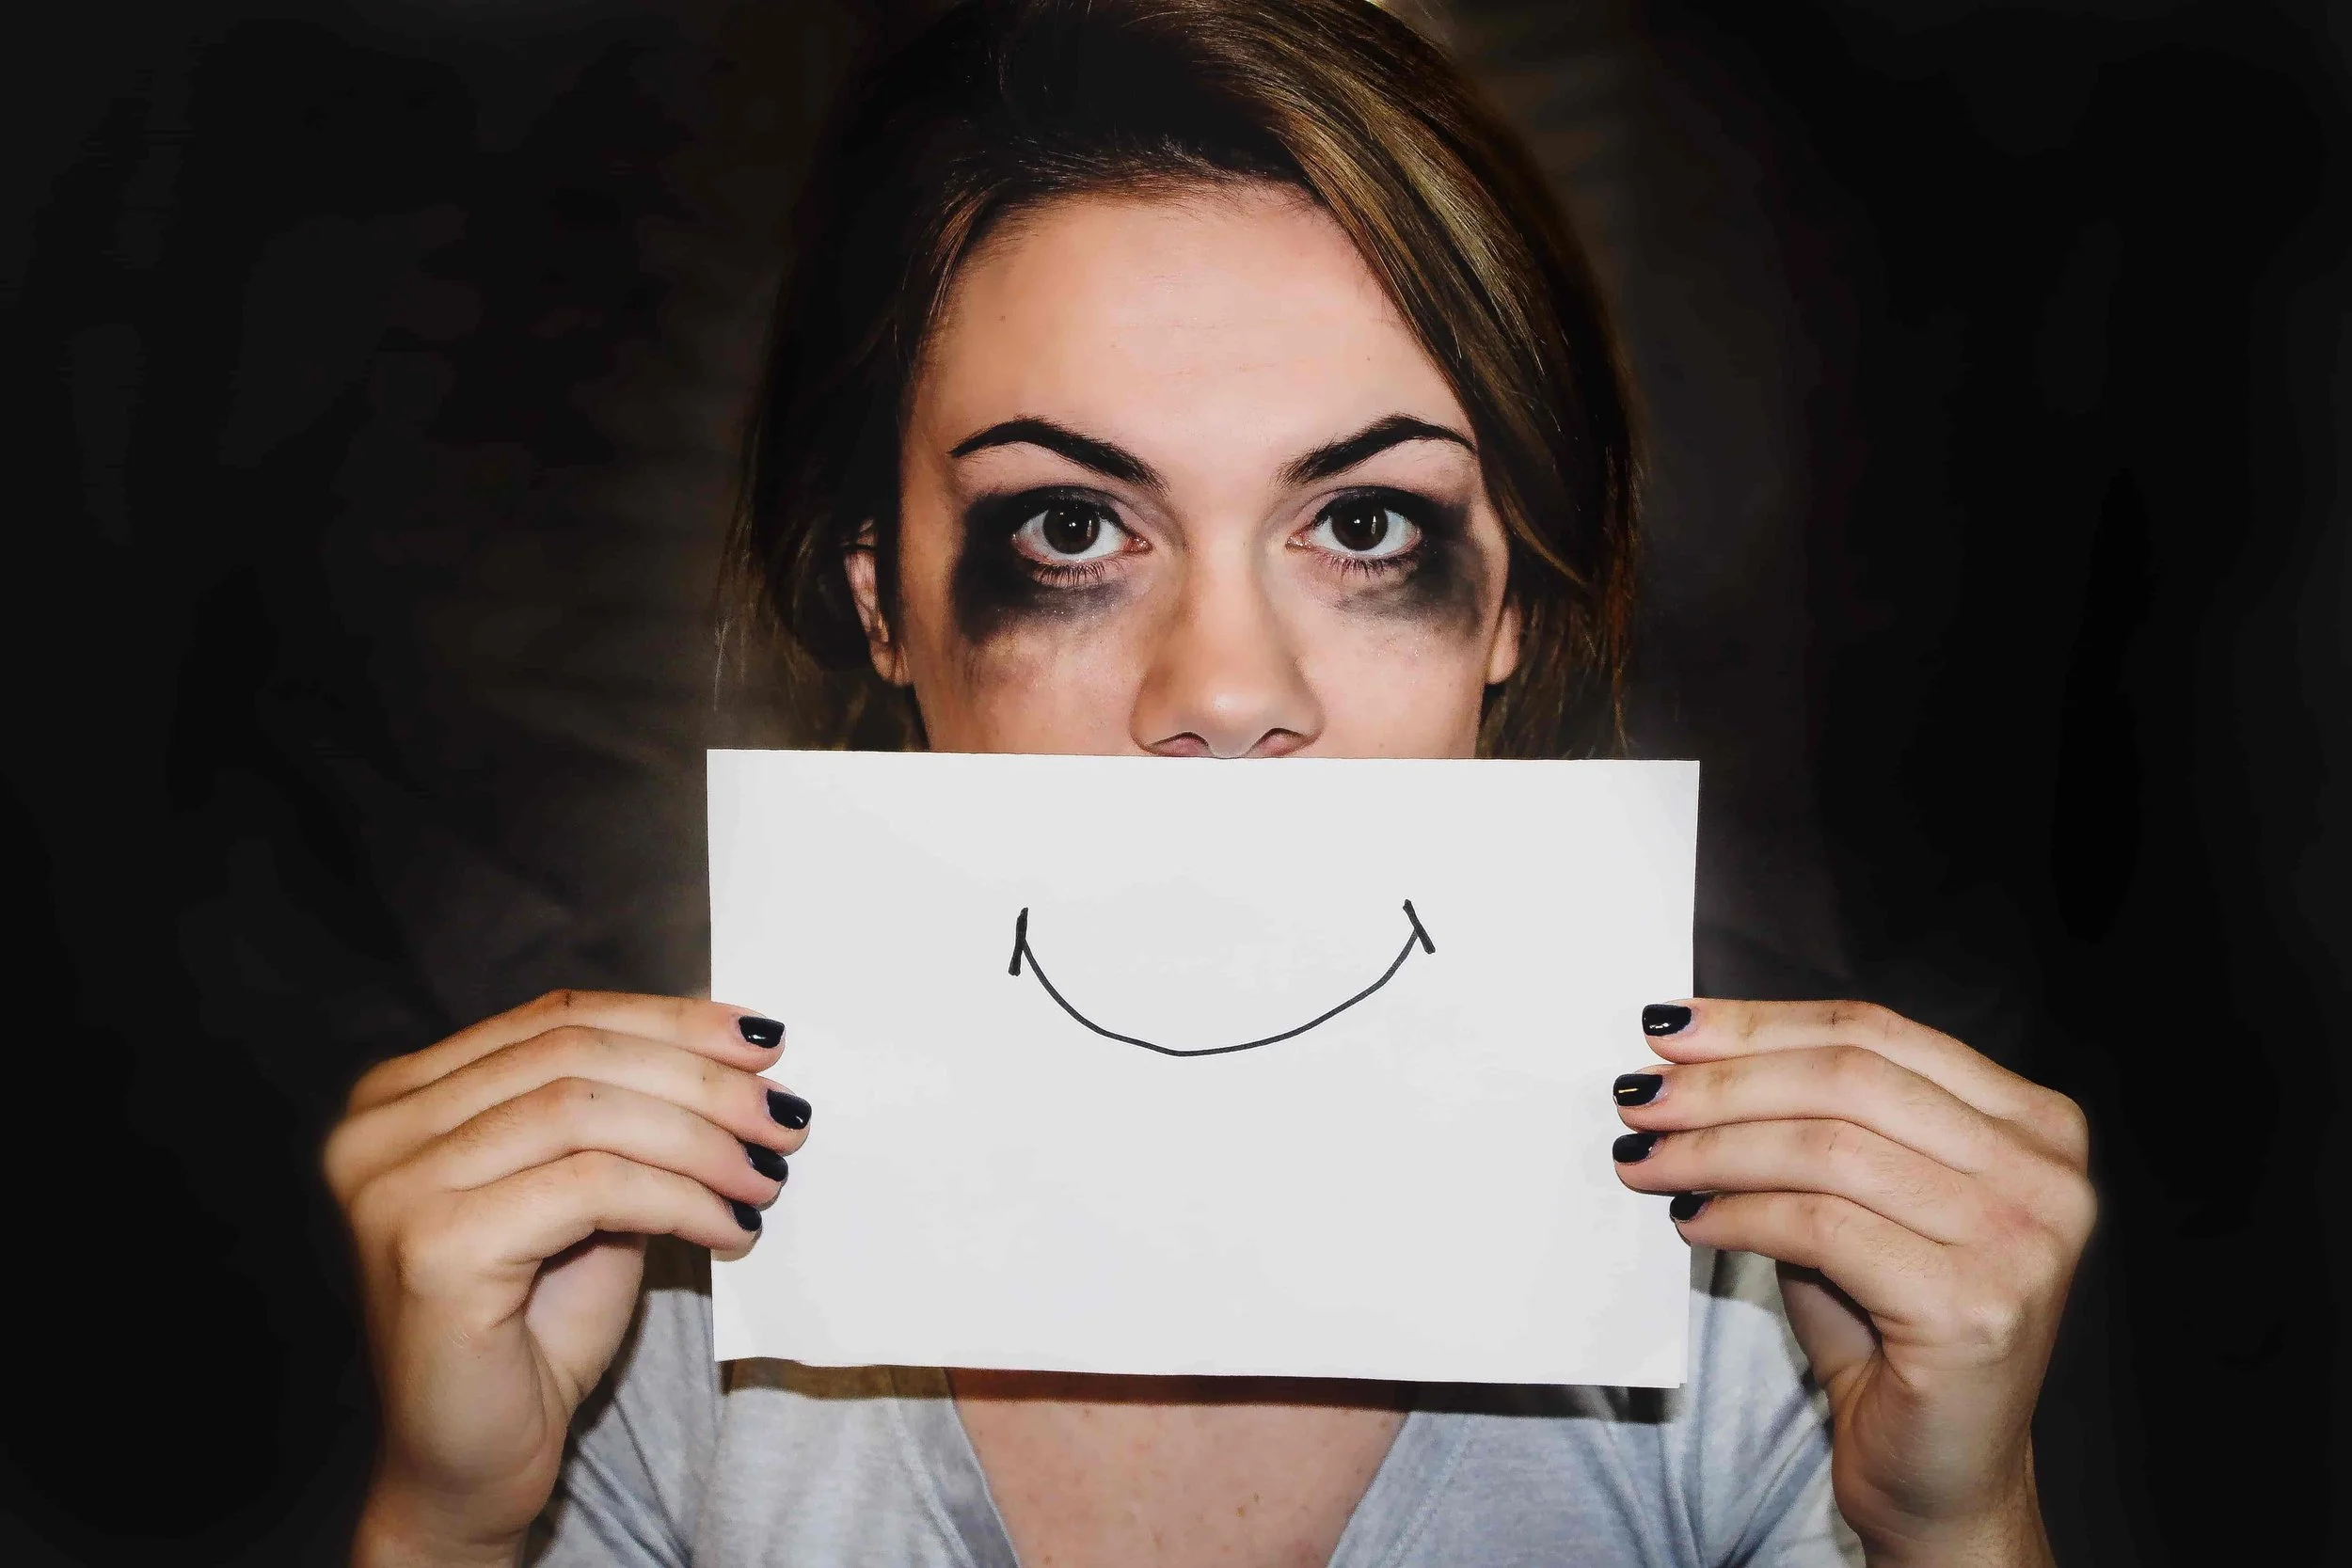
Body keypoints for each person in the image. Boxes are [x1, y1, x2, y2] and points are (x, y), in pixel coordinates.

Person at [324, 2, 2094, 1563]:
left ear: (1513, 608)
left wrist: (1955, 1527)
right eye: (1074, 527)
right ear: (883, 599)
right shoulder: (644, 1315)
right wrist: (447, 1524)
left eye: (1367, 523)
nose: (1227, 692)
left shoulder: (1770, 1313)